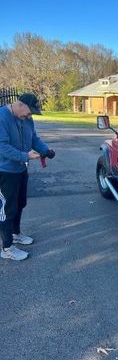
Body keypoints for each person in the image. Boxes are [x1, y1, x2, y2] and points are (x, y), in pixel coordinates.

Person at [0, 93, 55, 261]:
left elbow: (33, 139)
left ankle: (15, 233)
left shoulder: (26, 119)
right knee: (7, 209)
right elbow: (2, 146)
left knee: (20, 203)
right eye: (29, 112)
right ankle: (7, 247)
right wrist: (25, 156)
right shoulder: (2, 117)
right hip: (5, 171)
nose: (30, 117)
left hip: (20, 169)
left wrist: (45, 149)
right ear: (20, 104)